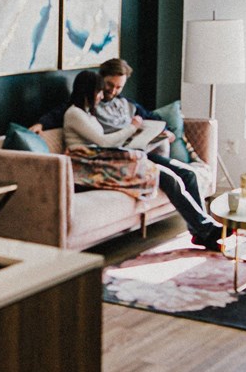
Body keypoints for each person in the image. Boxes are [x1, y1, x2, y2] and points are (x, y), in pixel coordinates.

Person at [63, 70, 222, 250]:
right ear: (87, 91)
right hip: (92, 165)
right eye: (99, 91)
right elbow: (104, 142)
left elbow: (107, 141)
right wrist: (132, 128)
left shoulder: (89, 113)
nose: (101, 96)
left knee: (183, 175)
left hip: (111, 157)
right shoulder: (74, 114)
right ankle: (205, 229)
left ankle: (203, 230)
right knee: (170, 179)